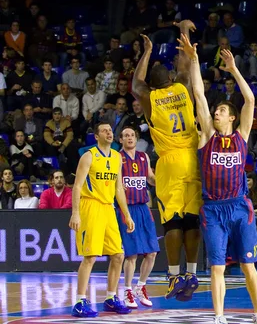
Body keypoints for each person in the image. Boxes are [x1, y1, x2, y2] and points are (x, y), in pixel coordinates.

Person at [177, 33, 257, 324]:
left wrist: (234, 69)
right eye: (216, 111)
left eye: (222, 111)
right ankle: (218, 316)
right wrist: (193, 59)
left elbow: (250, 98)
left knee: (248, 266)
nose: (216, 113)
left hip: (240, 207)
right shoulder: (207, 138)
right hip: (213, 209)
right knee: (217, 267)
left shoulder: (242, 136)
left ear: (232, 118)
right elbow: (199, 94)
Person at [131, 20, 201, 301]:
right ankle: (192, 272)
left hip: (169, 161)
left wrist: (146, 51)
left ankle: (173, 277)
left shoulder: (150, 97)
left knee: (172, 222)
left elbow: (136, 83)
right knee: (191, 219)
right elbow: (185, 63)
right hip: (191, 159)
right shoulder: (182, 88)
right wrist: (183, 30)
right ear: (170, 78)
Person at [69, 123, 135, 317]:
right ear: (96, 136)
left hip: (108, 208)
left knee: (118, 255)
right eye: (105, 130)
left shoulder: (116, 157)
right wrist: (75, 213)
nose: (109, 133)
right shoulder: (89, 156)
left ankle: (111, 297)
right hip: (90, 206)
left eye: (110, 130)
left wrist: (126, 214)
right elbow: (77, 187)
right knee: (90, 257)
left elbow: (118, 188)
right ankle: (80, 301)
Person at [118, 127, 160, 309]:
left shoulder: (144, 156)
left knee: (152, 252)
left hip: (144, 208)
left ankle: (140, 286)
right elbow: (116, 182)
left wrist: (164, 181)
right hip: (127, 208)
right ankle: (127, 290)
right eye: (126, 135)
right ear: (120, 140)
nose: (129, 138)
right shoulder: (117, 158)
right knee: (132, 254)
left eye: (132, 135)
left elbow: (150, 178)